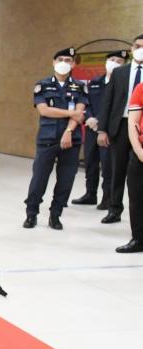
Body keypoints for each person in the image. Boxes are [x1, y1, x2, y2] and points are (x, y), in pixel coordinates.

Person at [23, 47, 88, 230]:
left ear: (73, 64)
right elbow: (44, 110)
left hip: (71, 140)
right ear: (53, 62)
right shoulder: (42, 85)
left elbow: (80, 114)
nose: (64, 63)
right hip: (47, 139)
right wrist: (70, 113)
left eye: (68, 60)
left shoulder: (80, 86)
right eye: (60, 60)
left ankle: (55, 215)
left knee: (66, 180)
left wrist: (69, 131)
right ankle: (31, 213)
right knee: (39, 179)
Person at [71, 50, 127, 208]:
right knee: (90, 162)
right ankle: (90, 194)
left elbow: (118, 108)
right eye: (112, 59)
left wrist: (101, 124)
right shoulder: (95, 81)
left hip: (109, 131)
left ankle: (108, 198)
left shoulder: (122, 84)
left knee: (108, 165)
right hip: (91, 128)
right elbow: (86, 102)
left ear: (124, 65)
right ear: (106, 61)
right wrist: (89, 118)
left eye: (119, 61)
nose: (114, 63)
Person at [98, 34, 143, 224]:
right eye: (137, 46)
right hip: (121, 126)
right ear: (131, 49)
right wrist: (102, 129)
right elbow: (107, 101)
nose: (140, 50)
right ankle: (114, 209)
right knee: (117, 170)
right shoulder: (119, 72)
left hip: (141, 127)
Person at [117, 82, 143, 252]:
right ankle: (138, 239)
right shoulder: (141, 88)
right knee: (137, 197)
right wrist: (139, 151)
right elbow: (132, 122)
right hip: (140, 151)